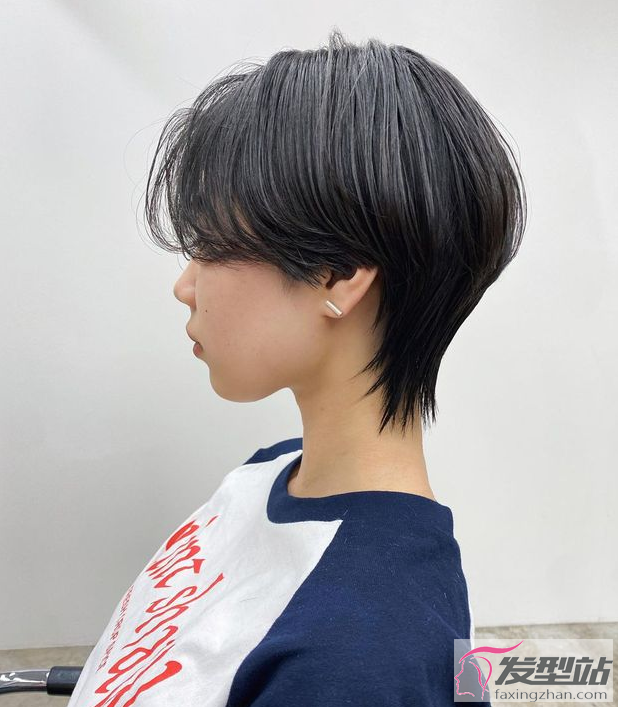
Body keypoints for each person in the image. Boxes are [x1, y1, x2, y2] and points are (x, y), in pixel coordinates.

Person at [67, 27, 525, 706]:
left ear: (336, 274)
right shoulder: (271, 473)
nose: (185, 285)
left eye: (209, 246)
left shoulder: (363, 656)